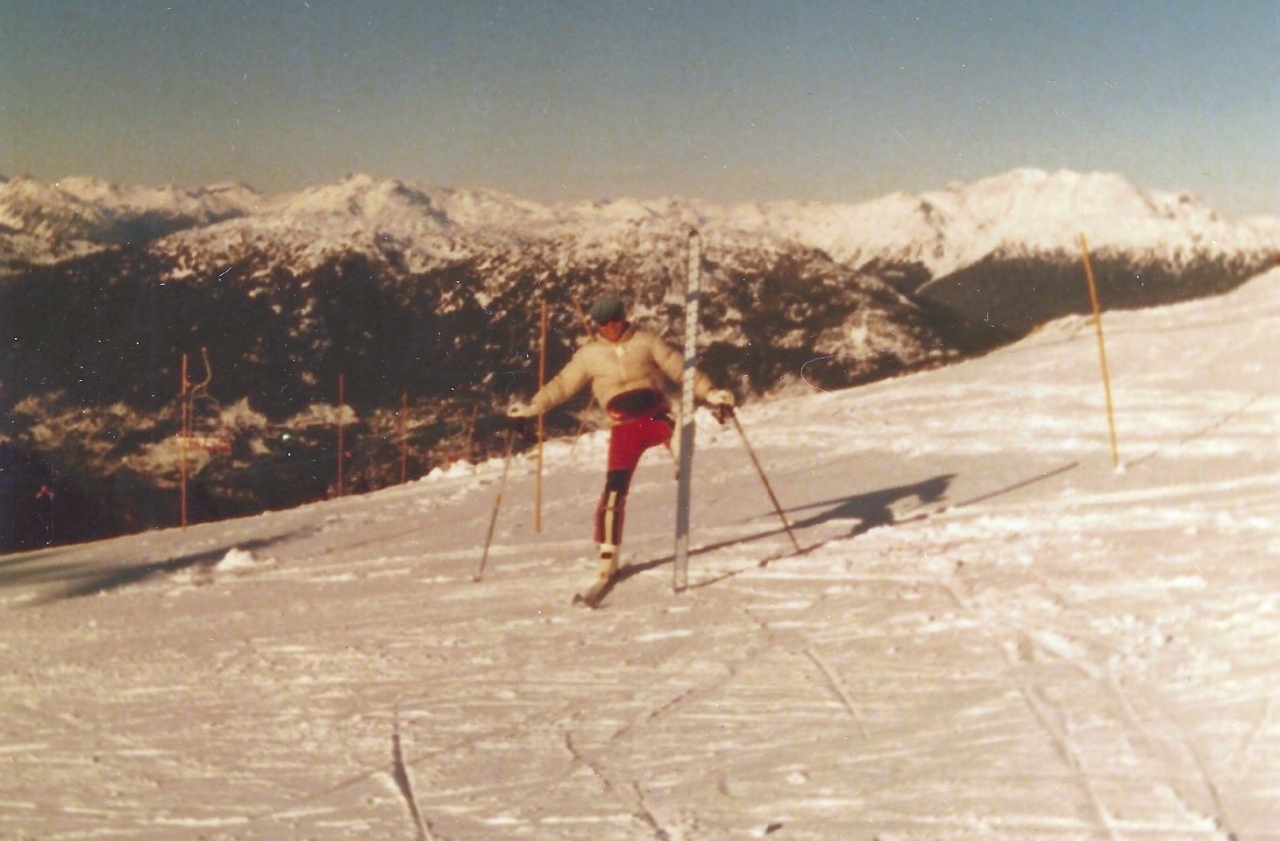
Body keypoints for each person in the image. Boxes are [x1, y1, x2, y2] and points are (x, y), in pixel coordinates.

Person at [508, 295, 735, 585]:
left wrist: (712, 392)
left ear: (623, 317)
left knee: (679, 427)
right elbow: (563, 385)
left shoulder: (646, 341)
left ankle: (683, 459)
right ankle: (608, 553)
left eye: (615, 320)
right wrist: (533, 407)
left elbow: (680, 369)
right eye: (604, 323)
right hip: (623, 427)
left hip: (656, 416)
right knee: (614, 491)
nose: (611, 327)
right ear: (598, 325)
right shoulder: (589, 354)